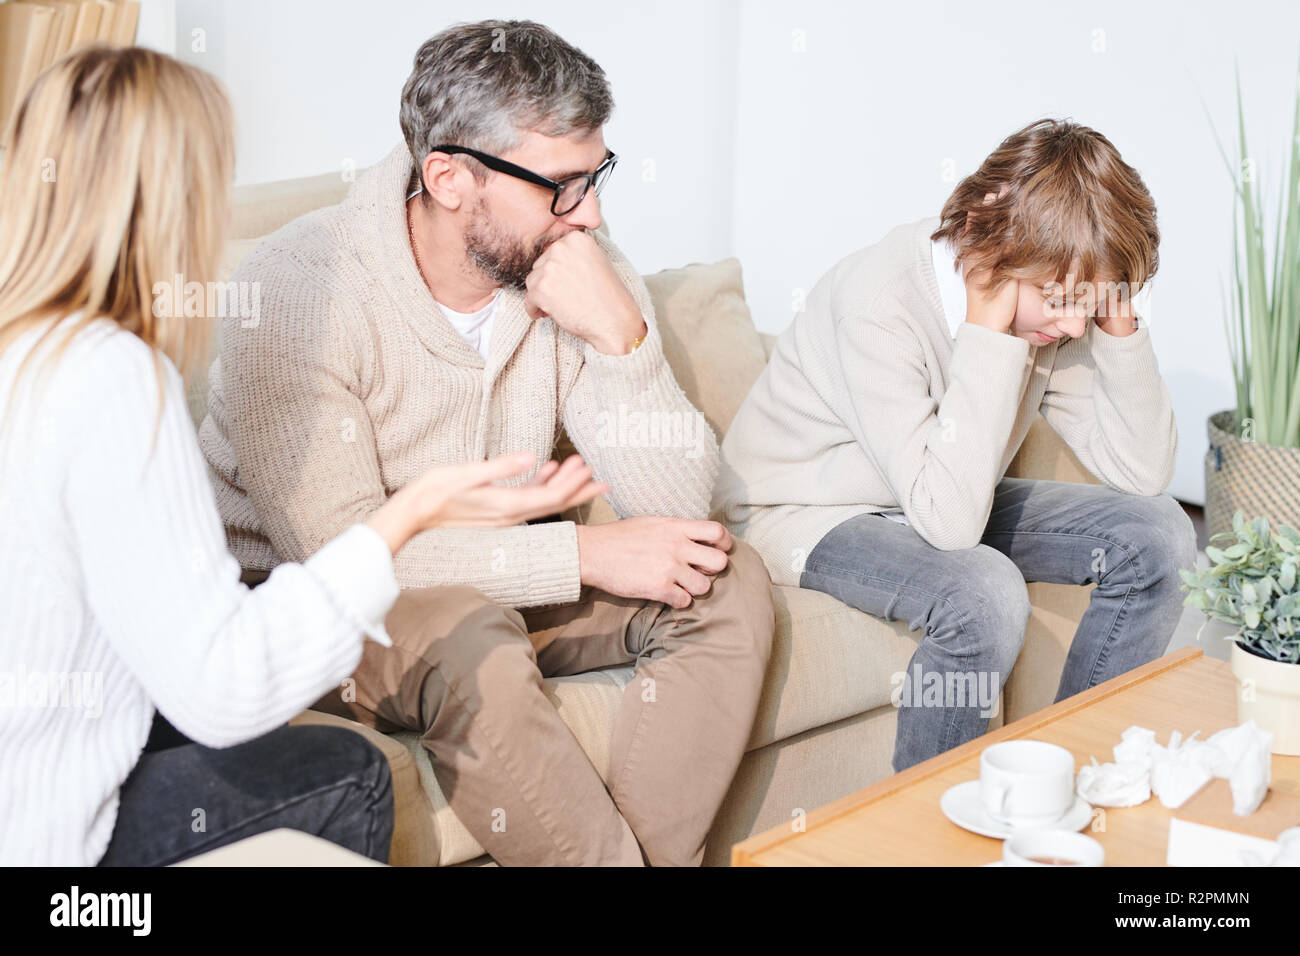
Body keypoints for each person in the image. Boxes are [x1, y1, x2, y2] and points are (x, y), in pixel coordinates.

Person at [0, 46, 605, 867]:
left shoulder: (26, 352)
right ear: (169, 201)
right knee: (345, 772)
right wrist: (411, 513)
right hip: (43, 839)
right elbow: (225, 691)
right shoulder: (111, 375)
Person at [198, 20, 775, 867]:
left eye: (597, 176)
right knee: (471, 641)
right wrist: (579, 555)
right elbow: (339, 557)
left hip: (497, 574)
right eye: (564, 185)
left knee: (722, 577)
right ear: (450, 177)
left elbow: (680, 509)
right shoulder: (298, 288)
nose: (593, 211)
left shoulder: (569, 259)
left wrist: (622, 335)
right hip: (315, 604)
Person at [714, 118, 1197, 773]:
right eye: (1059, 301)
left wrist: (1119, 323)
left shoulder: (1057, 312)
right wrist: (990, 336)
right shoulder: (877, 305)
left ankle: (1075, 779)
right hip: (806, 511)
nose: (1071, 324)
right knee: (983, 592)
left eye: (1091, 303)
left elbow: (1142, 472)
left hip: (942, 493)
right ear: (986, 241)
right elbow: (950, 525)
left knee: (1160, 535)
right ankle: (934, 831)